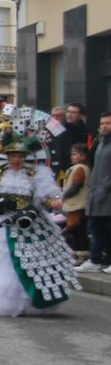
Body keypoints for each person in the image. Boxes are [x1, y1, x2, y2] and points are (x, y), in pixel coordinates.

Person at [0, 130, 81, 316]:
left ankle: (34, 301)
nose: (16, 160)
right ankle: (13, 304)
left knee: (36, 264)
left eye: (19, 156)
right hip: (10, 225)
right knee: (11, 264)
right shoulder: (0, 174)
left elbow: (45, 199)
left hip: (33, 223)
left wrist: (54, 202)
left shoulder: (34, 174)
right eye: (12, 156)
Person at [78, 112, 111, 272]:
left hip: (107, 195)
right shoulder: (100, 143)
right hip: (96, 194)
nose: (104, 126)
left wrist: (106, 186)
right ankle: (96, 260)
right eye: (102, 123)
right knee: (96, 229)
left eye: (108, 123)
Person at [61, 143, 90, 260]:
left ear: (83, 156)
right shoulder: (75, 168)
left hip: (78, 205)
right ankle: (76, 251)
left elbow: (76, 186)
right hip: (73, 204)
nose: (72, 156)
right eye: (72, 154)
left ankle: (82, 253)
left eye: (75, 154)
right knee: (75, 230)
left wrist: (64, 195)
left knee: (79, 230)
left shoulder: (80, 169)